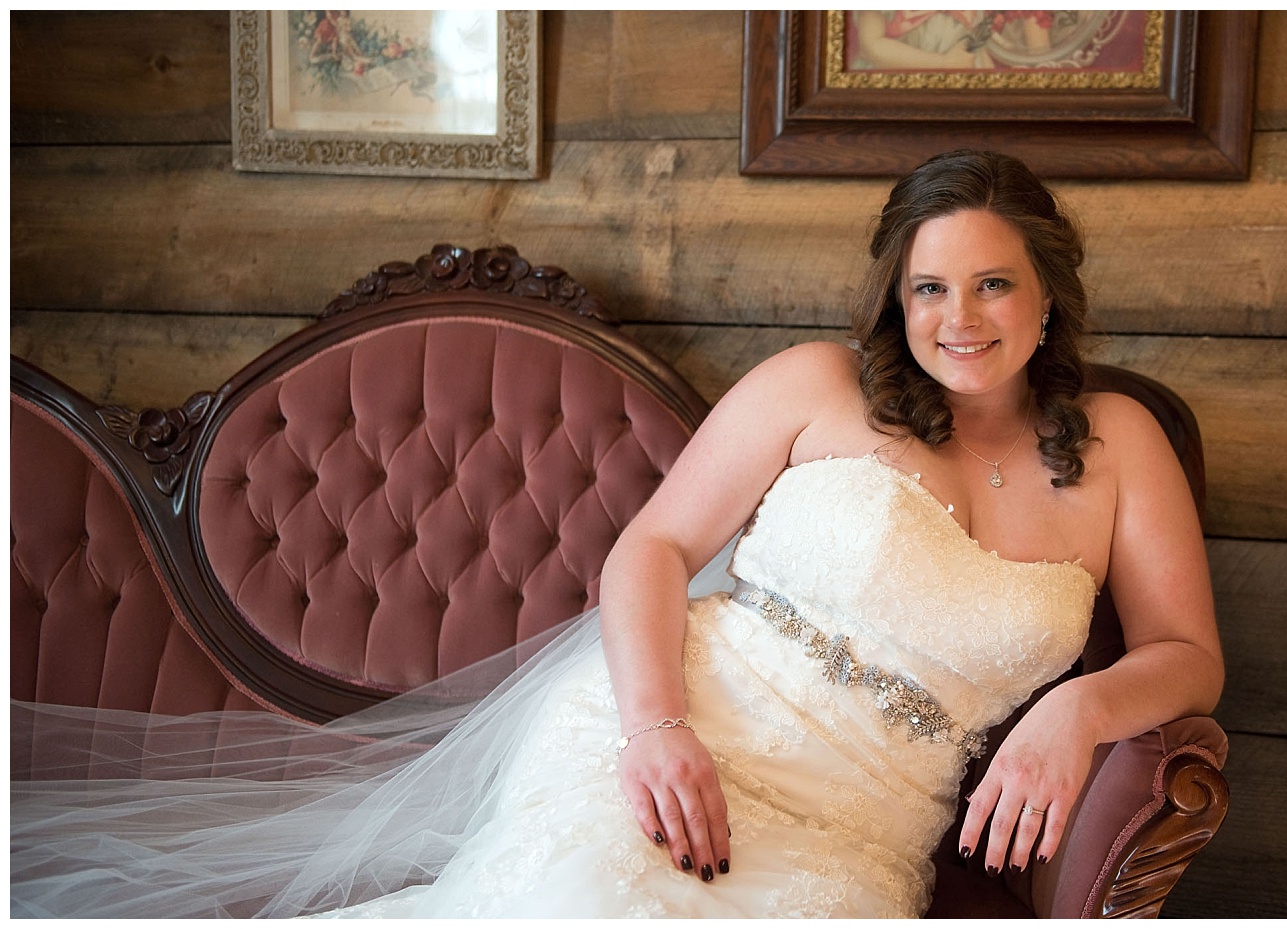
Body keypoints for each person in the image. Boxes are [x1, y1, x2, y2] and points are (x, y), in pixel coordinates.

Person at [10, 150, 1224, 918]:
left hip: (861, 820)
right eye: (927, 287)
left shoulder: (1116, 440)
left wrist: (1084, 707)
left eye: (993, 283)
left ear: (1049, 290)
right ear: (891, 298)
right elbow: (646, 549)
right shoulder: (814, 385)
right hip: (669, 728)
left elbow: (1185, 651)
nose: (958, 318)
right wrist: (656, 729)